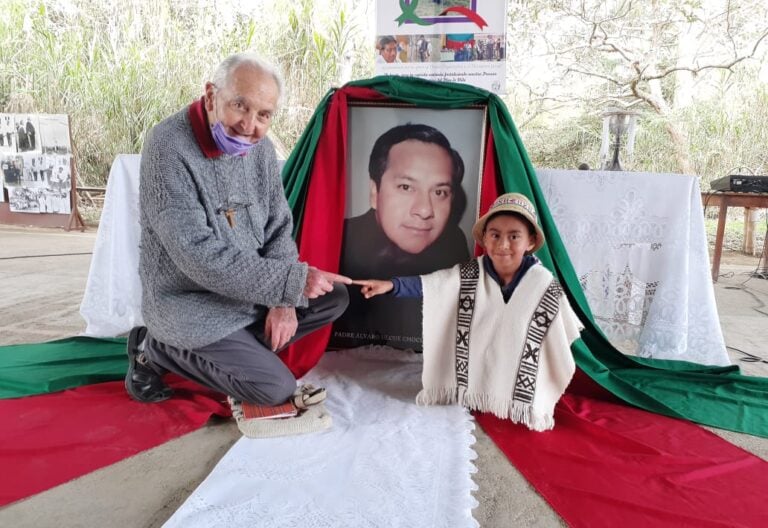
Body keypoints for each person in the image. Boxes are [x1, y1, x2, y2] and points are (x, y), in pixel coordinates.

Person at [125, 52, 351, 438]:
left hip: (249, 296)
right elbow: (197, 256)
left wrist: (283, 301)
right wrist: (288, 285)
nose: (249, 125)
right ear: (211, 95)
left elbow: (279, 226)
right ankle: (156, 346)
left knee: (336, 297)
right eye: (239, 106)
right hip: (189, 302)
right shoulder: (167, 145)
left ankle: (239, 345)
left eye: (264, 114)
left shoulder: (258, 147)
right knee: (275, 389)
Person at [353, 193, 583, 431]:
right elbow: (436, 284)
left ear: (531, 242)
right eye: (495, 235)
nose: (503, 245)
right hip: (480, 363)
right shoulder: (474, 272)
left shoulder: (543, 283)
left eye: (514, 236)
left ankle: (515, 396)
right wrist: (392, 285)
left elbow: (562, 335)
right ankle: (479, 389)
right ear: (484, 238)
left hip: (520, 371)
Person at [333, 123, 469, 350]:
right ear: (375, 193)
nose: (425, 210)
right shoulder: (338, 239)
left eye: (439, 192)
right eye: (406, 187)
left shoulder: (453, 241)